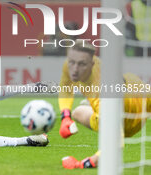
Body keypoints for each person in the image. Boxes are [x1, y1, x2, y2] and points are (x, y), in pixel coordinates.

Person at [58, 40, 150, 169]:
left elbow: (116, 143)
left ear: (92, 64)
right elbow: (66, 88)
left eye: (82, 64)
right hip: (114, 107)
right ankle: (94, 111)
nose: (75, 69)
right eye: (71, 62)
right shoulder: (70, 66)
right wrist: (65, 116)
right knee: (77, 112)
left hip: (137, 108)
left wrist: (83, 163)